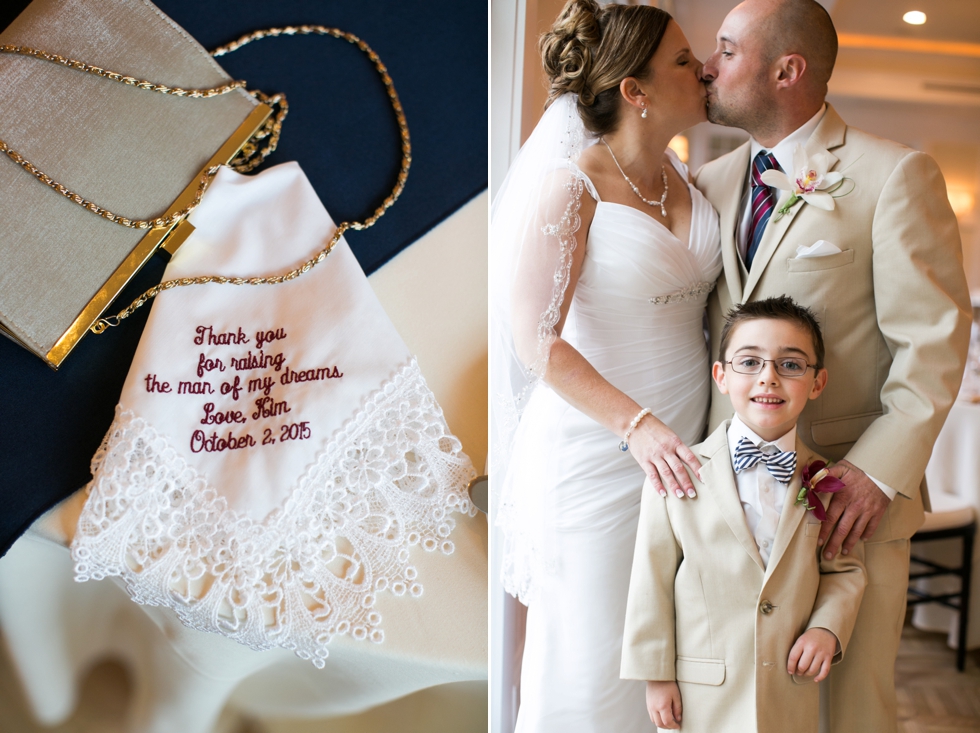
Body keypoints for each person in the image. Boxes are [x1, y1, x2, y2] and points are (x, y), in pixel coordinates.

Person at [694, 1, 972, 730]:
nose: (706, 67)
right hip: (728, 503)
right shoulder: (712, 182)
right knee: (741, 703)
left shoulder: (894, 174)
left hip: (848, 502)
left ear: (788, 70)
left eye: (726, 51)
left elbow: (934, 341)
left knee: (850, 709)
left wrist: (876, 473)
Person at [490, 0, 721, 729]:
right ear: (636, 90)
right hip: (600, 453)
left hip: (689, 453)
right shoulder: (573, 186)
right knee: (593, 669)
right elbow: (537, 342)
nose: (704, 68)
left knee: (671, 674)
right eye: (684, 61)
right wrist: (638, 425)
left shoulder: (691, 180)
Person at [621, 296, 866, 733]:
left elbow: (844, 570)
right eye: (749, 362)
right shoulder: (677, 475)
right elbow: (650, 582)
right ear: (721, 376)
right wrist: (656, 675)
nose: (768, 378)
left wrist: (826, 630)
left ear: (817, 382)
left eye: (791, 365)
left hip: (788, 689)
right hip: (703, 689)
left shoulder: (827, 483)